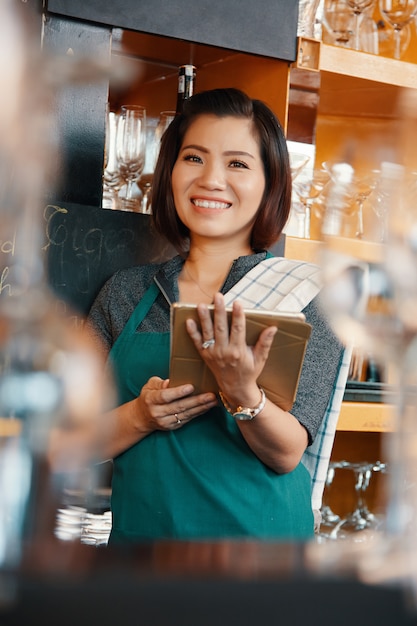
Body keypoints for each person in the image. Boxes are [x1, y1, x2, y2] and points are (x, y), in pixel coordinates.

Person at [87, 87, 344, 543]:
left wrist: (244, 393)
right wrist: (140, 417)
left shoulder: (311, 295)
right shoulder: (126, 292)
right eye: (194, 158)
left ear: (271, 183)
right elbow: (70, 442)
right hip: (139, 568)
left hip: (259, 571)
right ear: (170, 172)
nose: (210, 179)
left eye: (238, 164)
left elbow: (286, 454)